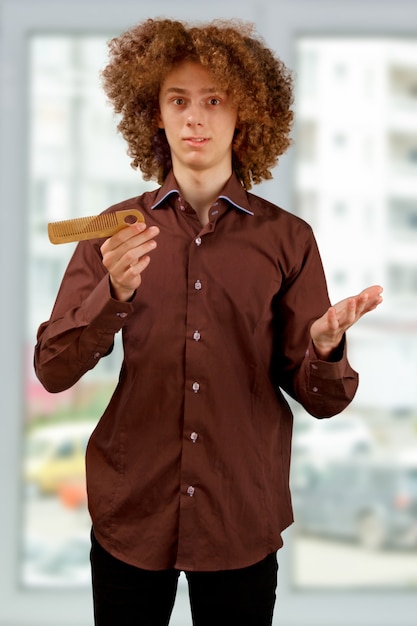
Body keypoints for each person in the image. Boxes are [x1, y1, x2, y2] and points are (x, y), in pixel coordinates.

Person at [34, 17, 383, 626]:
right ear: (156, 115)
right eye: (179, 100)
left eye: (213, 100)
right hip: (131, 508)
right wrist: (111, 294)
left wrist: (325, 351)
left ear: (244, 113)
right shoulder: (111, 231)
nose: (195, 117)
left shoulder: (289, 240)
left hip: (239, 512)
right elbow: (53, 370)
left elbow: (322, 401)